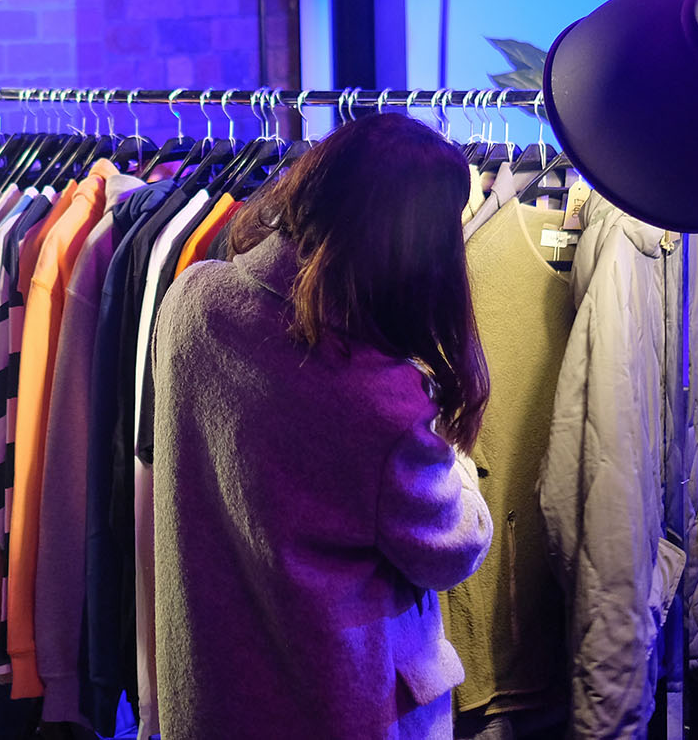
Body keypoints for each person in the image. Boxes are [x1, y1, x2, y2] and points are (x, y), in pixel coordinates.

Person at [152, 112, 493, 740]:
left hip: (212, 701)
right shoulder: (378, 400)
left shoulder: (190, 302)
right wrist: (461, 470)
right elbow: (453, 547)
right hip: (342, 709)